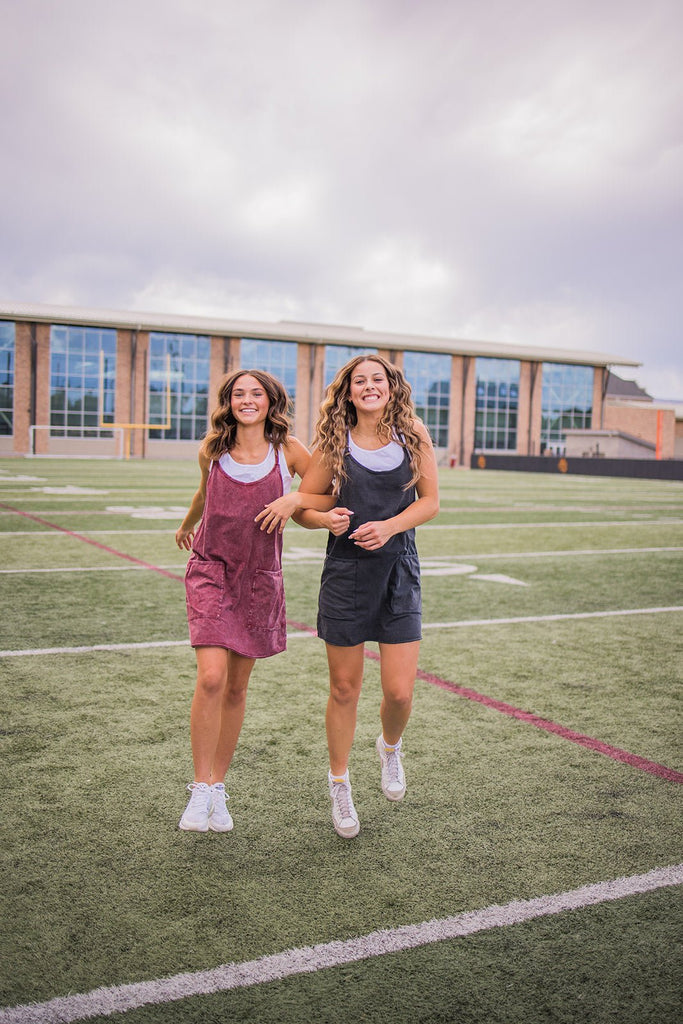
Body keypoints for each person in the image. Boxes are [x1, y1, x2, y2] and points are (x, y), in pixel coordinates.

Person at [175, 368, 333, 833]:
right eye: (239, 394)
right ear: (229, 401)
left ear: (270, 401)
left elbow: (319, 497)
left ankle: (218, 787)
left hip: (259, 580)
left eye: (256, 393)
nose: (247, 400)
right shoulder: (213, 448)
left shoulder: (289, 450)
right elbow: (205, 493)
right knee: (211, 678)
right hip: (211, 570)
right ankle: (199, 787)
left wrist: (306, 508)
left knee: (238, 688)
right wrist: (187, 525)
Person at [293, 355, 440, 838]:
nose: (370, 386)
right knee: (344, 689)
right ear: (349, 392)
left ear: (391, 387)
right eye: (361, 381)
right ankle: (340, 784)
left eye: (378, 379)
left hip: (399, 571)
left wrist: (391, 527)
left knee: (399, 692)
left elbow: (430, 501)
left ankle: (390, 748)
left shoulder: (413, 433)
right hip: (347, 575)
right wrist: (324, 519)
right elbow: (306, 505)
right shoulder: (334, 444)